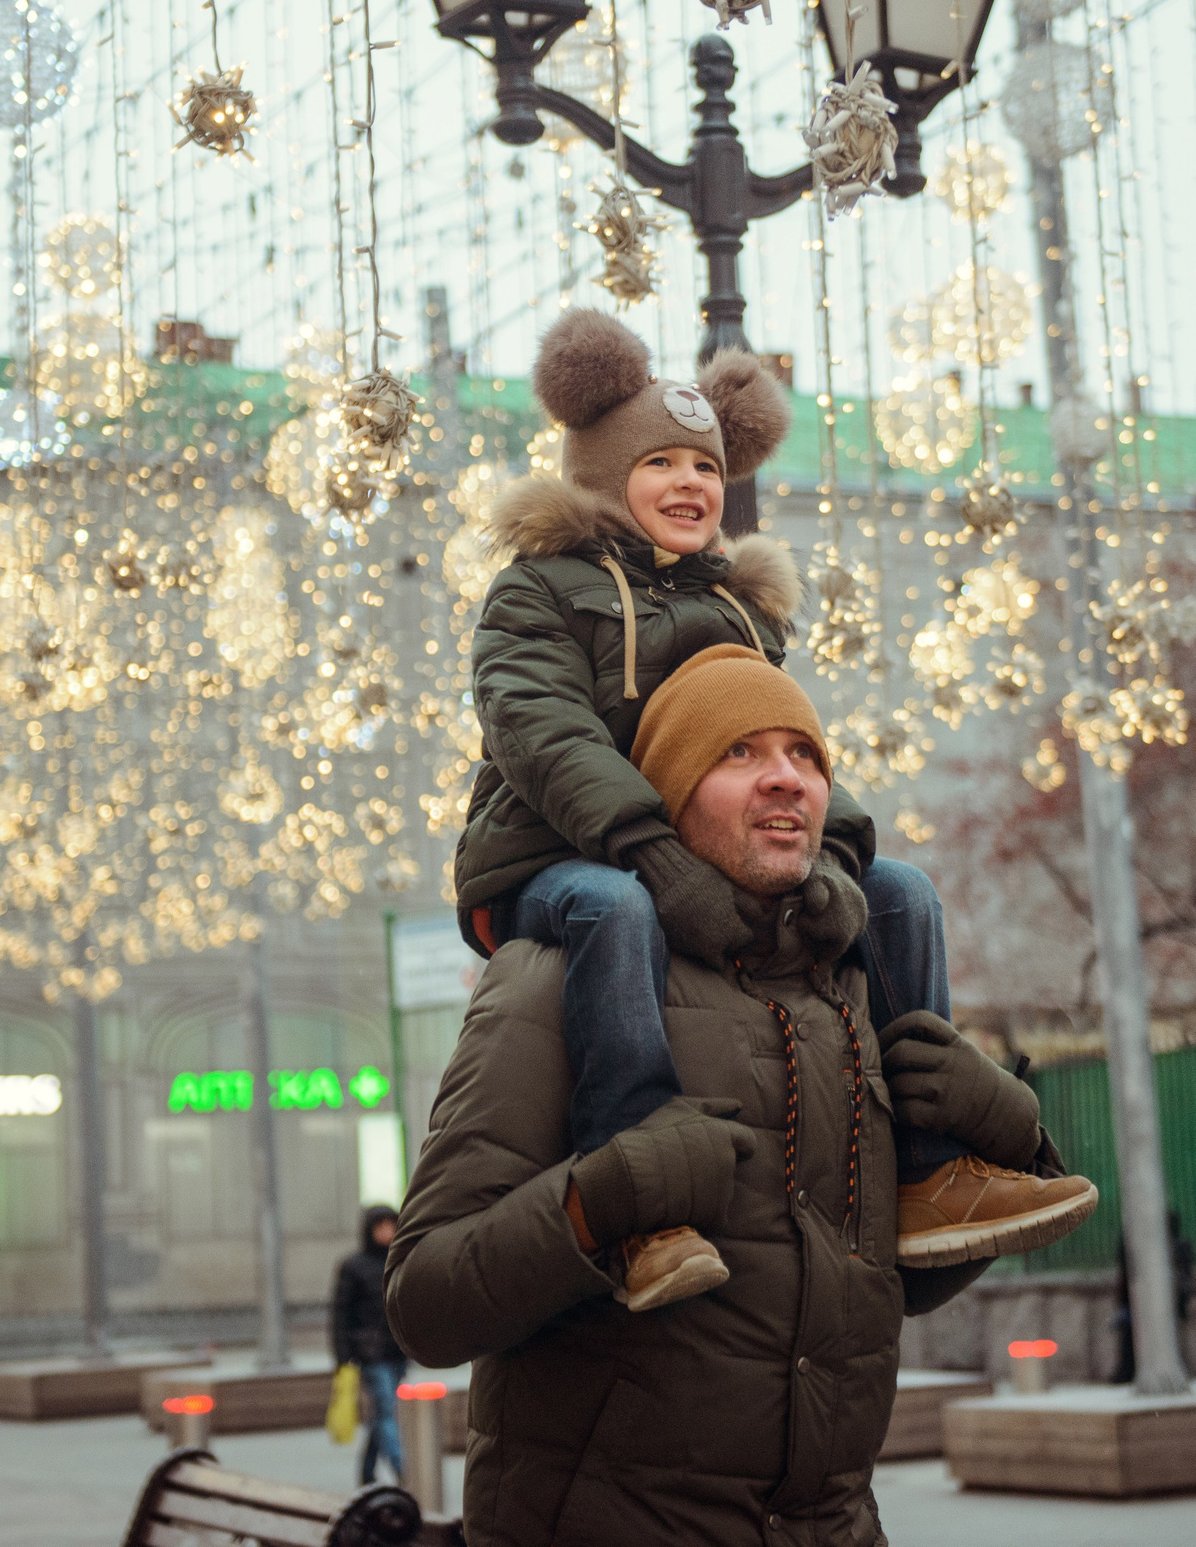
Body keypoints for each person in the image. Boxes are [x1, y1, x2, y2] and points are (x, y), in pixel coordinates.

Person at [453, 307, 1091, 1314]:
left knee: (900, 892)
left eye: (705, 468)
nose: (689, 483)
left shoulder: (740, 610)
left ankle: (926, 1165)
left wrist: (834, 854)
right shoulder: (538, 589)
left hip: (697, 849)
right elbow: (544, 731)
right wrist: (649, 851)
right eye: (659, 461)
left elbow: (781, 749)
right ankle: (645, 1191)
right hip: (554, 853)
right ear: (597, 470)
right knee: (615, 910)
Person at [390, 648, 1097, 1544]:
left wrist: (1000, 1132)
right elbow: (425, 1300)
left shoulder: (848, 992)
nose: (785, 780)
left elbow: (895, 1284)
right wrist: (605, 1195)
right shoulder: (558, 978)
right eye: (739, 754)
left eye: (805, 756)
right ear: (667, 791)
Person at [331, 1205, 407, 1487]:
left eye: (391, 1225)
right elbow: (341, 1313)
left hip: (398, 1350)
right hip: (370, 1353)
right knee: (386, 1411)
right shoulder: (353, 1266)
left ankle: (366, 1473)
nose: (386, 1232)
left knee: (381, 1415)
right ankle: (405, 1471)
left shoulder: (400, 1260)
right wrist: (342, 1356)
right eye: (381, 1226)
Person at [1109, 1210, 1195, 1385]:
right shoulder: (1173, 1241)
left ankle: (1129, 1371)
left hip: (1141, 1302)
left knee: (1133, 1340)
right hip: (1158, 1302)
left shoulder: (1135, 1239)